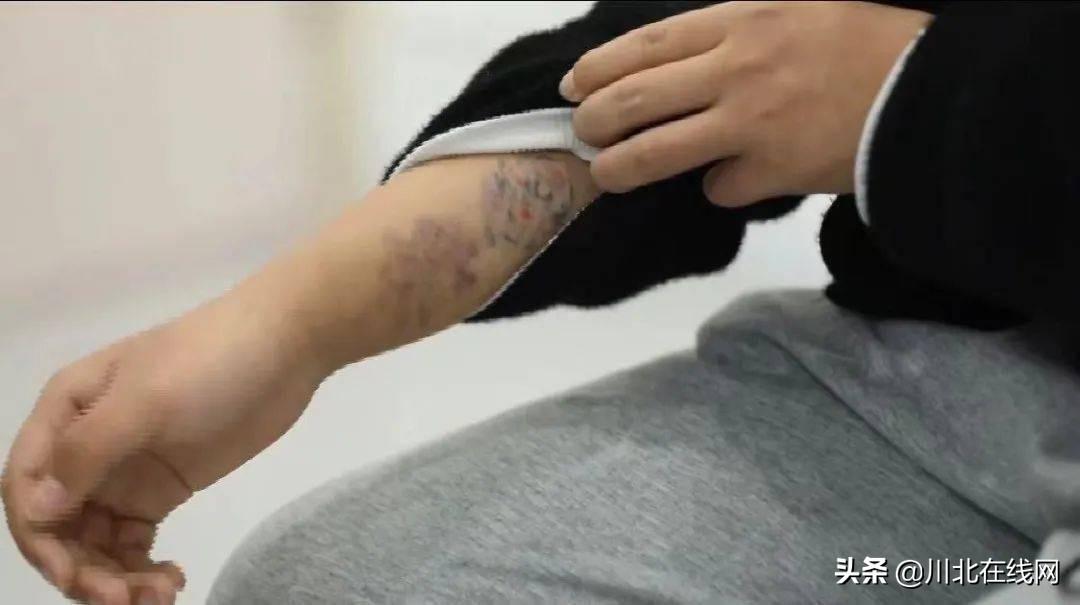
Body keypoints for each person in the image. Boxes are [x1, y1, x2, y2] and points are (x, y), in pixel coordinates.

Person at [5, 1, 1080, 603]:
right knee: (329, 587)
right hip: (950, 384)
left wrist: (919, 97)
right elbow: (716, 43)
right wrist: (284, 323)